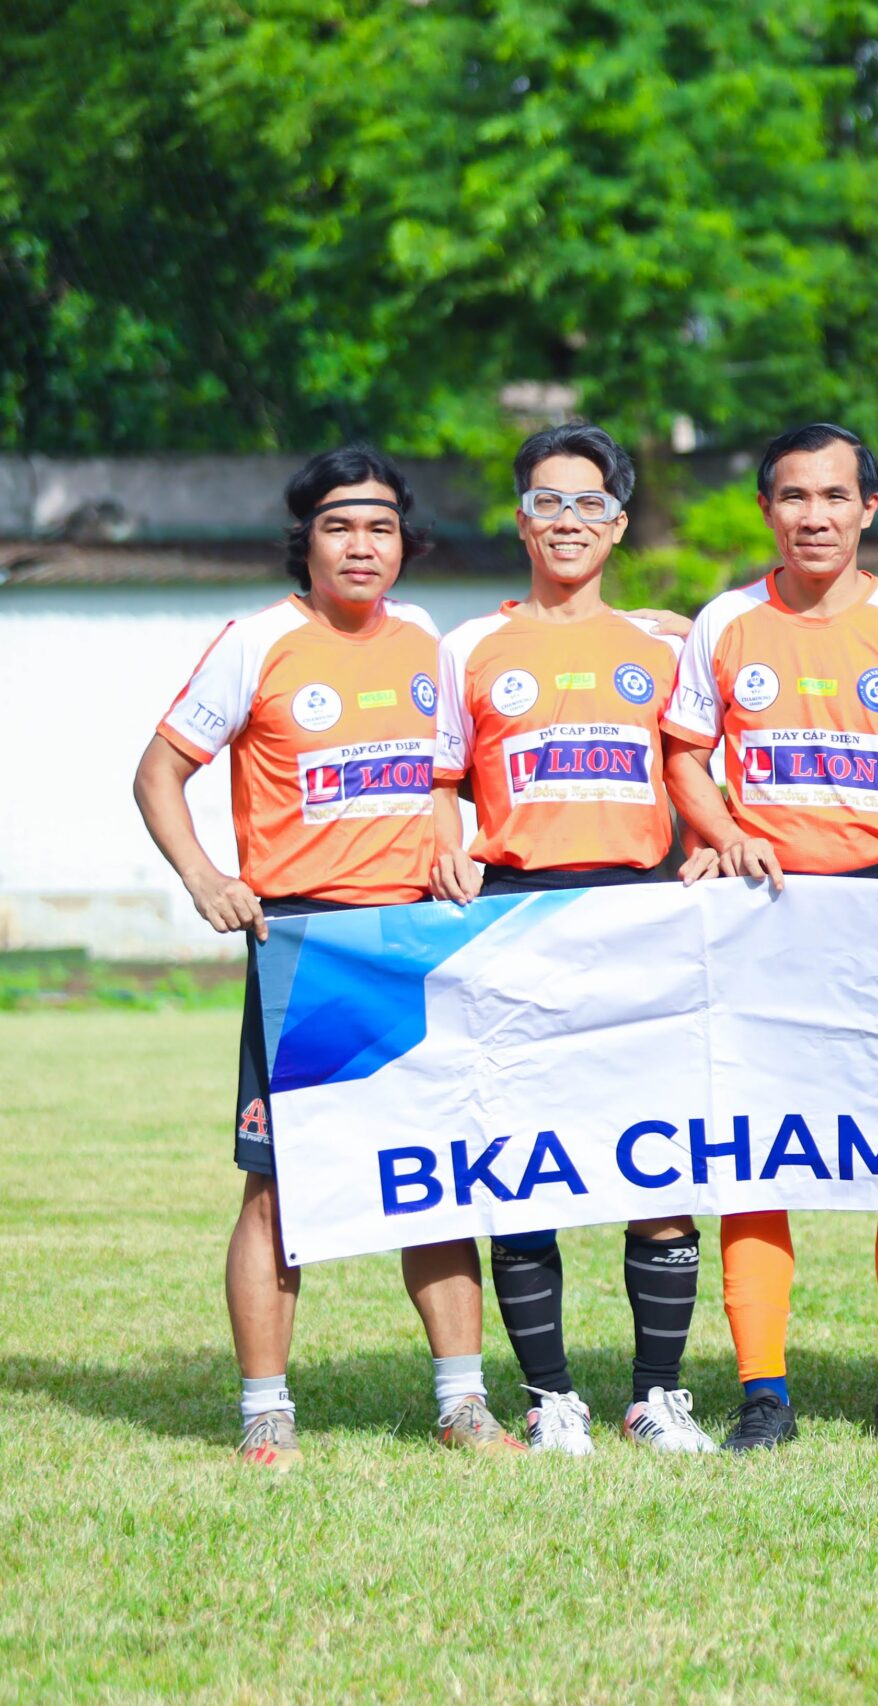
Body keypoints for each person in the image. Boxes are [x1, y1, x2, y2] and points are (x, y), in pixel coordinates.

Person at [133, 446, 513, 1465]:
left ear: (404, 541)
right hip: (302, 945)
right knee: (277, 1187)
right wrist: (205, 877)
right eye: (339, 525)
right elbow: (158, 772)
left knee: (438, 1176)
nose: (360, 544)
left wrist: (451, 844)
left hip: (412, 941)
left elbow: (444, 779)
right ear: (305, 538)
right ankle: (265, 1411)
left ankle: (464, 1406)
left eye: (380, 526)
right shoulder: (257, 642)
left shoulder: (426, 638)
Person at [663, 421, 878, 1452]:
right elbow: (686, 756)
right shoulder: (725, 621)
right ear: (767, 509)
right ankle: (763, 1393)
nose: (815, 516)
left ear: (869, 507)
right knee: (753, 1158)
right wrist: (725, 833)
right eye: (794, 496)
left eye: (836, 496)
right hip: (764, 922)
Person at [426, 423, 722, 1455]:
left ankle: (657, 1395)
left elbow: (703, 764)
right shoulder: (467, 647)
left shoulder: (666, 648)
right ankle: (550, 1398)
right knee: (522, 1166)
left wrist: (711, 841)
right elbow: (439, 782)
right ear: (520, 520)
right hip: (515, 916)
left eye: (589, 503)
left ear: (619, 524)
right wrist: (447, 847)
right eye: (547, 502)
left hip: (640, 914)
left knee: (662, 1165)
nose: (567, 520)